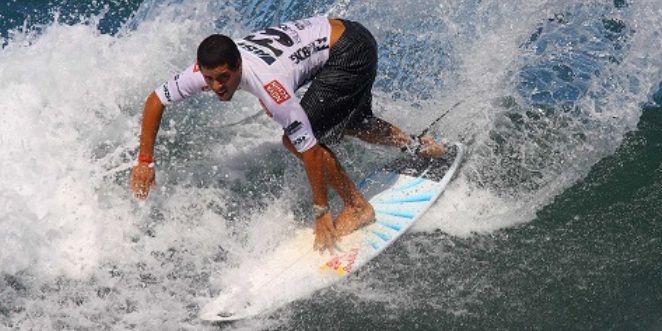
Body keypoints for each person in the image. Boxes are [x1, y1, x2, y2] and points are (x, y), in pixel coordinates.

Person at [129, 16, 444, 252]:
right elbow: (156, 100)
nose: (217, 87)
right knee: (353, 122)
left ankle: (358, 207)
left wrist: (321, 211)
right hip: (347, 35)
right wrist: (145, 160)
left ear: (238, 65)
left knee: (296, 139)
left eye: (224, 78)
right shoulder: (203, 72)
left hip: (350, 51)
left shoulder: (270, 86)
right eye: (210, 79)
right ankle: (418, 146)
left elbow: (308, 149)